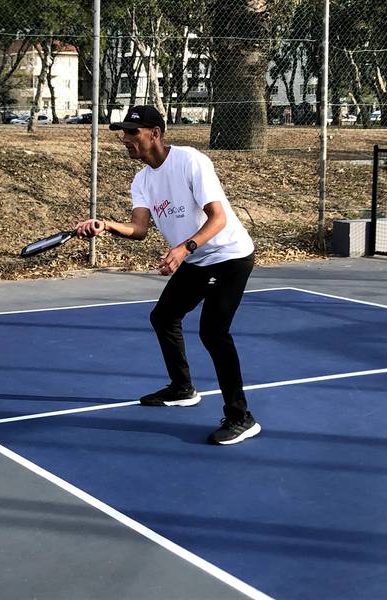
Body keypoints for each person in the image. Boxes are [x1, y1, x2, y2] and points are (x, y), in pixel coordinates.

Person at [75, 105, 259, 445]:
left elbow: (218, 219)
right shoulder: (142, 179)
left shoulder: (191, 161)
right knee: (164, 316)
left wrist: (183, 249)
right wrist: (107, 226)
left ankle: (241, 416)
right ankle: (182, 388)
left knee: (213, 332)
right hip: (197, 258)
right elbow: (139, 229)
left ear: (155, 133)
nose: (125, 139)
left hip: (230, 256)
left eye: (133, 133)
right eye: (123, 133)